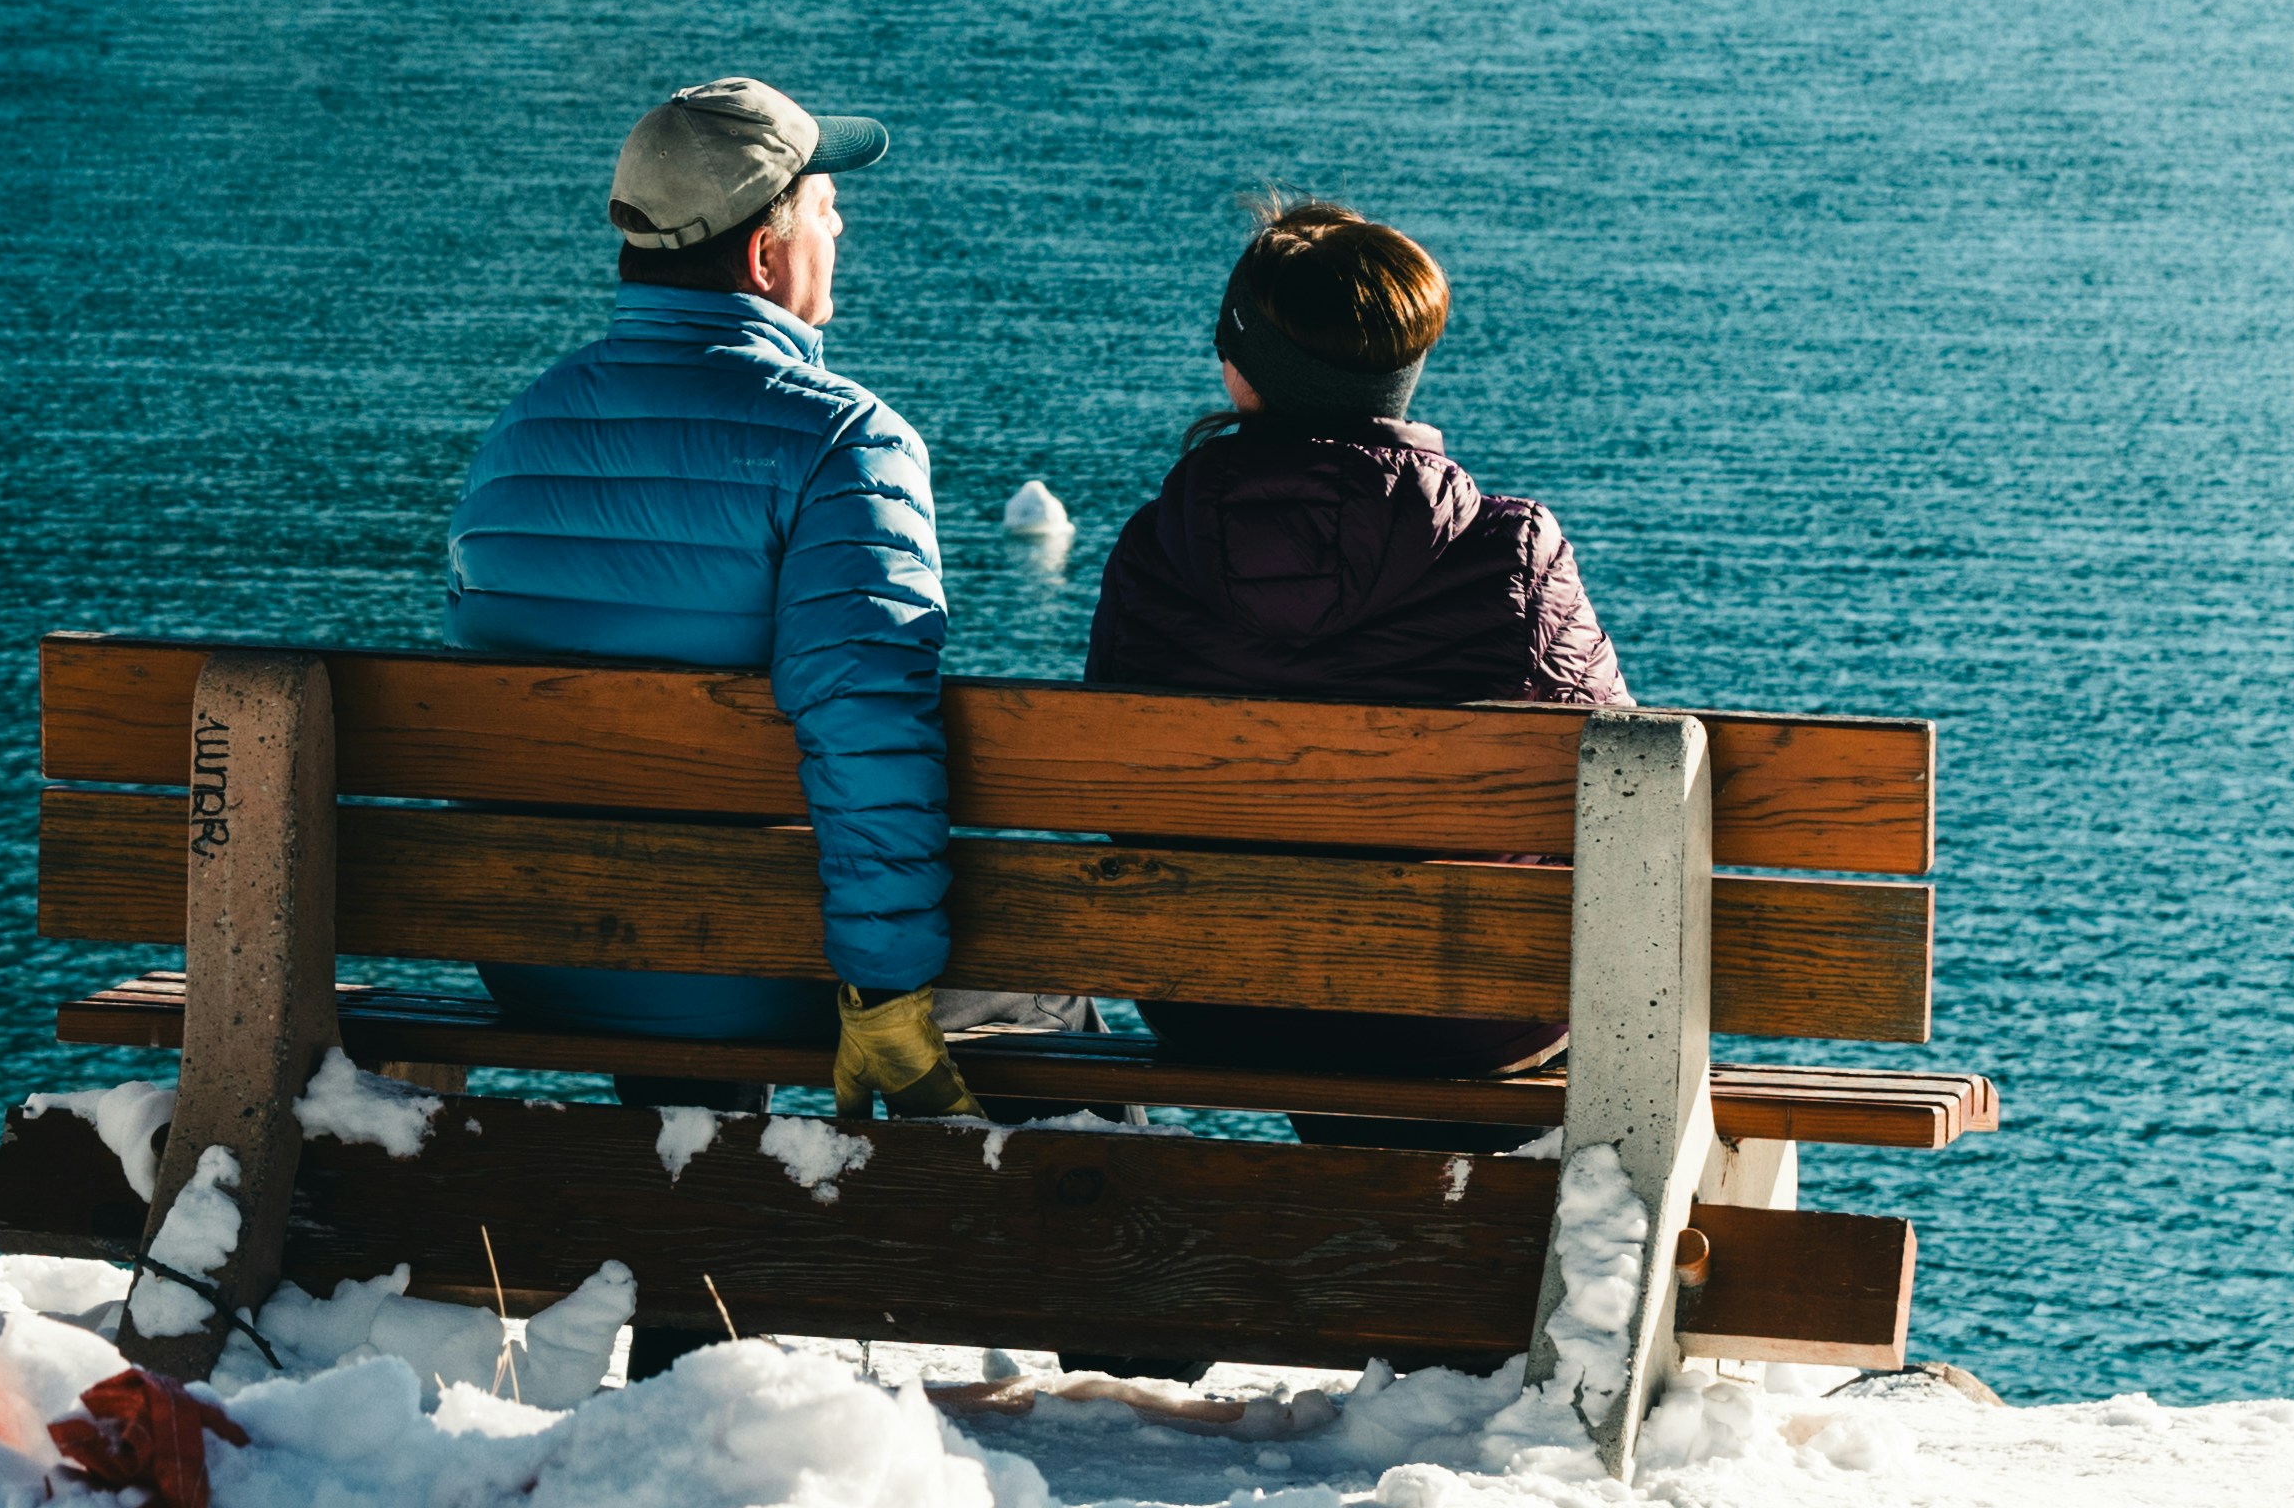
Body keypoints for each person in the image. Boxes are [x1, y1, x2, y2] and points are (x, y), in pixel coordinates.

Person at [441, 72, 973, 1119]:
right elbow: (865, 720)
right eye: (825, 205)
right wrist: (882, 994)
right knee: (1046, 989)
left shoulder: (517, 436)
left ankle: (689, 1236)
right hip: (750, 959)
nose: (841, 226)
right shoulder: (842, 442)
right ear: (765, 255)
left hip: (539, 950)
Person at [1087, 196, 1617, 1115]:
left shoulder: (1154, 549)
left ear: (1235, 369)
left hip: (1215, 1000)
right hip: (1464, 1012)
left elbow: (1111, 788)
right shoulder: (1513, 552)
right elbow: (1619, 785)